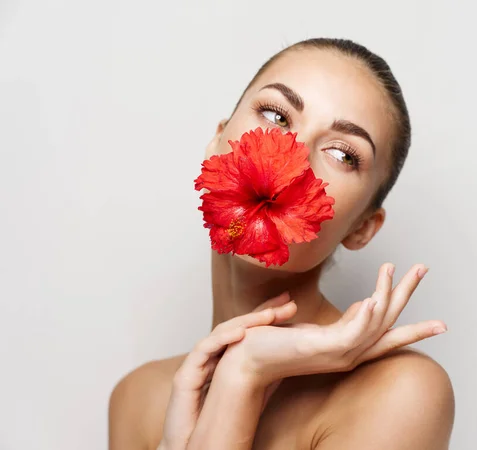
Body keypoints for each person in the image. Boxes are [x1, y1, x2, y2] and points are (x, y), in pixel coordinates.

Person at [109, 38, 455, 449]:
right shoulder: (138, 398)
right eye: (276, 115)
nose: (292, 159)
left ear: (361, 228)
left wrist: (244, 372)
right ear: (217, 140)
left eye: (343, 154)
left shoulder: (402, 392)